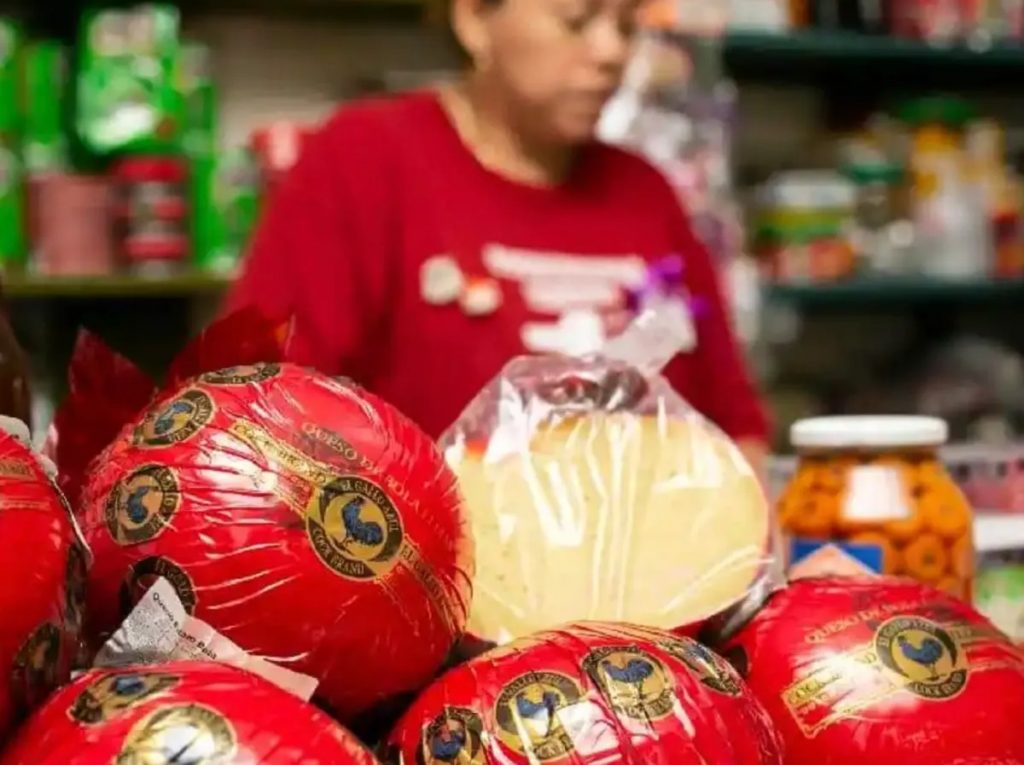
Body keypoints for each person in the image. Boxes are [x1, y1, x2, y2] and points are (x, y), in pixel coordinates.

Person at [225, 0, 770, 471]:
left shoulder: (647, 193)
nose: (610, 52)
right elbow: (261, 410)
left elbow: (734, 426)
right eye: (576, 20)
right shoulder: (362, 161)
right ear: (474, 20)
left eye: (627, 24)